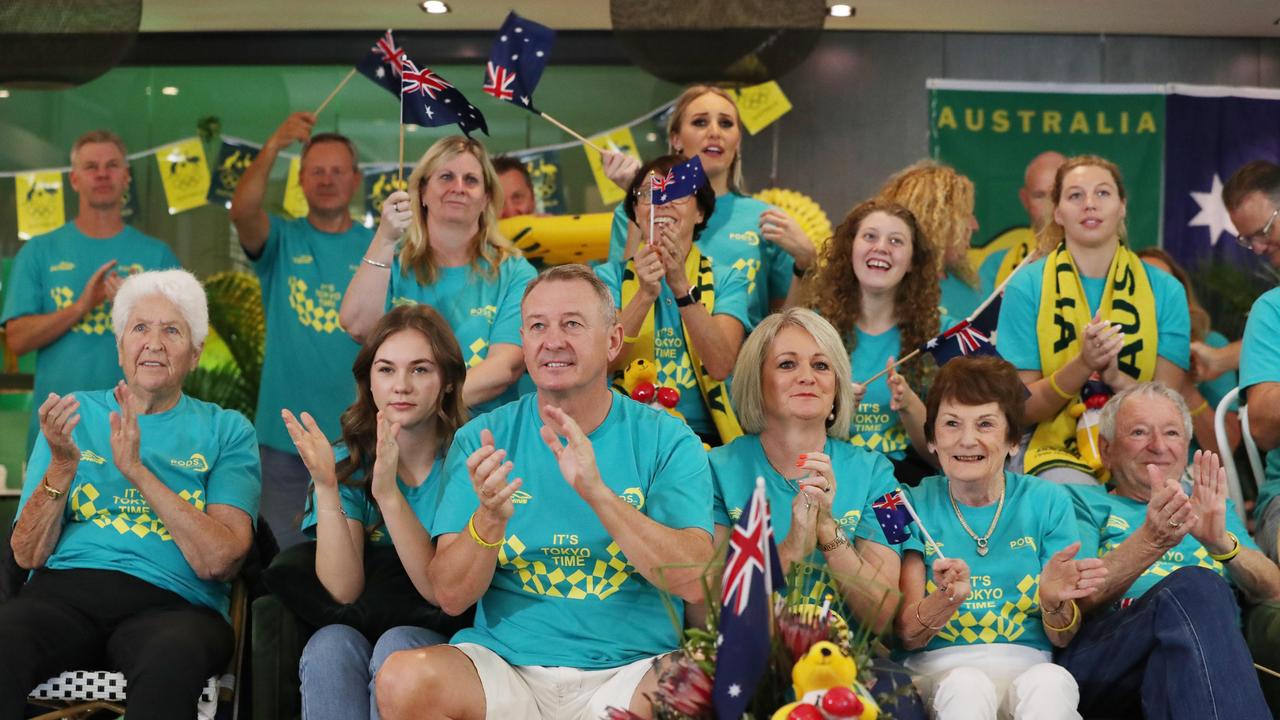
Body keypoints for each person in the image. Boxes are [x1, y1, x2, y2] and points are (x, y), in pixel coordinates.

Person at [373, 265, 714, 720]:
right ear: (524, 341)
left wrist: (598, 495)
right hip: (507, 670)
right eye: (537, 326)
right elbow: (451, 596)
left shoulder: (668, 440)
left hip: (631, 671)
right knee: (402, 678)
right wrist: (488, 521)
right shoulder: (480, 439)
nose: (552, 340)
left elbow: (692, 579)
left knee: (698, 685)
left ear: (613, 341)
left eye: (572, 324)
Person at [0, 269, 259, 719]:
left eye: (172, 330)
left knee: (172, 659)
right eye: (140, 328)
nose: (154, 343)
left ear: (195, 354)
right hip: (65, 596)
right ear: (120, 347)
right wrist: (63, 465)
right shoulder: (72, 416)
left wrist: (138, 471)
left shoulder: (226, 430)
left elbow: (221, 559)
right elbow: (26, 553)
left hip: (176, 606)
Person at [708, 307, 925, 719]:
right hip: (748, 658)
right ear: (757, 383)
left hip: (849, 664)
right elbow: (711, 606)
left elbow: (882, 615)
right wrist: (792, 546)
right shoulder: (715, 469)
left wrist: (828, 531)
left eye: (821, 365)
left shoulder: (879, 473)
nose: (807, 375)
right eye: (787, 364)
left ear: (837, 390)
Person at [282, 304, 468, 720]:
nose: (401, 385)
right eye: (386, 370)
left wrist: (387, 494)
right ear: (369, 381)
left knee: (398, 645)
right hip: (366, 619)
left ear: (449, 383)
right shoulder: (343, 460)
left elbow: (440, 594)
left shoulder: (467, 459)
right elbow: (343, 591)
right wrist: (328, 486)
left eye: (420, 370)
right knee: (328, 644)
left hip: (453, 628)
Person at [895, 355, 1106, 720]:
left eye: (986, 424)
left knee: (1052, 682)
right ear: (931, 439)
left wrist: (1054, 601)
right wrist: (944, 600)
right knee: (967, 685)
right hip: (940, 673)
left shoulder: (1049, 500)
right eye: (951, 424)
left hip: (1029, 663)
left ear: (1012, 440)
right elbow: (907, 635)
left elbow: (1062, 637)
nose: (967, 439)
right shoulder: (909, 504)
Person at [1055, 382, 1280, 718]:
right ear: (1107, 449)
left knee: (1172, 667)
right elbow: (1075, 600)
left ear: (1186, 446)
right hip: (1107, 654)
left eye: (1172, 433)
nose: (1158, 446)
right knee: (1196, 585)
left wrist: (1220, 543)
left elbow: (1274, 588)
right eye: (1139, 433)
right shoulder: (1079, 502)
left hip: (1194, 657)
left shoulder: (1210, 508)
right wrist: (1151, 540)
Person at [996, 155, 1190, 485]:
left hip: (1146, 449)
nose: (1090, 204)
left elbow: (1169, 414)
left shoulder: (1166, 290)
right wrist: (1083, 365)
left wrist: (1115, 376)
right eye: (1075, 195)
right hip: (1049, 449)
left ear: (1122, 206)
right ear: (1057, 212)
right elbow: (1021, 410)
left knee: (1189, 503)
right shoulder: (1026, 286)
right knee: (1073, 495)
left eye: (1102, 193)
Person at [230, 111, 371, 548]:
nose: (327, 180)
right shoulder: (282, 240)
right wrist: (273, 145)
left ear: (356, 179)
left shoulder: (381, 247)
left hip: (363, 443)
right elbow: (243, 209)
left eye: (337, 171)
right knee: (286, 571)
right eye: (316, 171)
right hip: (283, 446)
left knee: (357, 570)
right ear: (301, 180)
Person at [1, 129, 180, 456]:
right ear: (74, 179)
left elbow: (185, 345)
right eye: (91, 166)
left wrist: (133, 306)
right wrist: (80, 306)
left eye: (112, 165)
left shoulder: (158, 256)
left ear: (126, 176)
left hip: (139, 434)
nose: (102, 174)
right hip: (58, 434)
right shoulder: (40, 251)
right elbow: (15, 340)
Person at [340, 135, 534, 417]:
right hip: (401, 442)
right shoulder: (394, 264)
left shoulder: (514, 271)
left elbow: (506, 367)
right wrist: (384, 238)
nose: (458, 188)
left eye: (470, 180)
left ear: (487, 198)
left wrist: (427, 408)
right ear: (421, 192)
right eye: (445, 177)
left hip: (486, 443)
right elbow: (357, 327)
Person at [606, 85, 811, 328]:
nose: (715, 132)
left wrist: (806, 262)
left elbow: (786, 326)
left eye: (726, 124)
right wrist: (639, 203)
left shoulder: (766, 218)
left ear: (738, 141)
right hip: (650, 363)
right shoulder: (637, 212)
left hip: (740, 364)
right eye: (700, 122)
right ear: (676, 139)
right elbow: (622, 298)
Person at [597, 154, 750, 446]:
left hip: (706, 439)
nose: (662, 201)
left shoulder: (728, 279)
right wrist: (644, 294)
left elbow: (720, 365)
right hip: (625, 435)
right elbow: (601, 363)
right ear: (636, 213)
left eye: (677, 192)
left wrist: (681, 286)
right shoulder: (608, 278)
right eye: (648, 194)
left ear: (701, 212)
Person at [806, 198, 941, 485]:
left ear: (912, 263)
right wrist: (835, 411)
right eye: (870, 236)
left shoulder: (939, 334)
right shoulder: (811, 329)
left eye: (896, 240)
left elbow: (943, 458)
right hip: (831, 479)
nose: (881, 247)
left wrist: (909, 405)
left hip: (905, 484)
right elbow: (788, 435)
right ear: (849, 249)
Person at [1223, 159, 1280, 564]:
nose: (1258, 248)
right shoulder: (1271, 310)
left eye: (1263, 232)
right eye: (1248, 241)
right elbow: (1260, 425)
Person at [1136, 247, 1239, 456]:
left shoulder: (1209, 345)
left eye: (1165, 286)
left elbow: (1225, 448)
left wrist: (1184, 386)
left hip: (1189, 476)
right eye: (1144, 285)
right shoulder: (1106, 347)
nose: (1155, 295)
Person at [879, 161, 984, 320]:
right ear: (934, 223)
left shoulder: (968, 288)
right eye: (965, 215)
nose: (974, 225)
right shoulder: (891, 293)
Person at [977, 151, 1067, 294]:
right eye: (1040, 196)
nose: (1050, 205)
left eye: (1057, 194)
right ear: (1024, 199)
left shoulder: (1099, 260)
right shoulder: (995, 265)